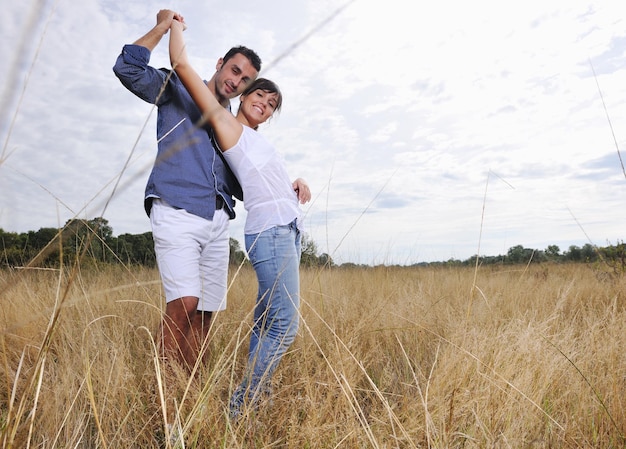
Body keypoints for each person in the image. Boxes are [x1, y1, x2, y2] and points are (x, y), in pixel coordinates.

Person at [168, 15, 311, 418]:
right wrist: (173, 24)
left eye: (271, 105)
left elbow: (261, 182)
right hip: (272, 235)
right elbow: (181, 65)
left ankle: (252, 401)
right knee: (285, 326)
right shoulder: (226, 124)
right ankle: (240, 406)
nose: (264, 105)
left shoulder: (254, 140)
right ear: (244, 92)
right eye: (259, 95)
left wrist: (294, 183)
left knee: (266, 325)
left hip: (285, 231)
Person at [112, 10, 262, 372]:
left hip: (217, 221)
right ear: (220, 64)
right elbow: (127, 68)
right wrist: (164, 26)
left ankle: (193, 397)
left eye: (245, 80)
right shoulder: (177, 89)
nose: (236, 81)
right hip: (177, 209)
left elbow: (245, 182)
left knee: (205, 315)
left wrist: (288, 184)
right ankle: (166, 407)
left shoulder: (233, 126)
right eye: (234, 70)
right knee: (184, 303)